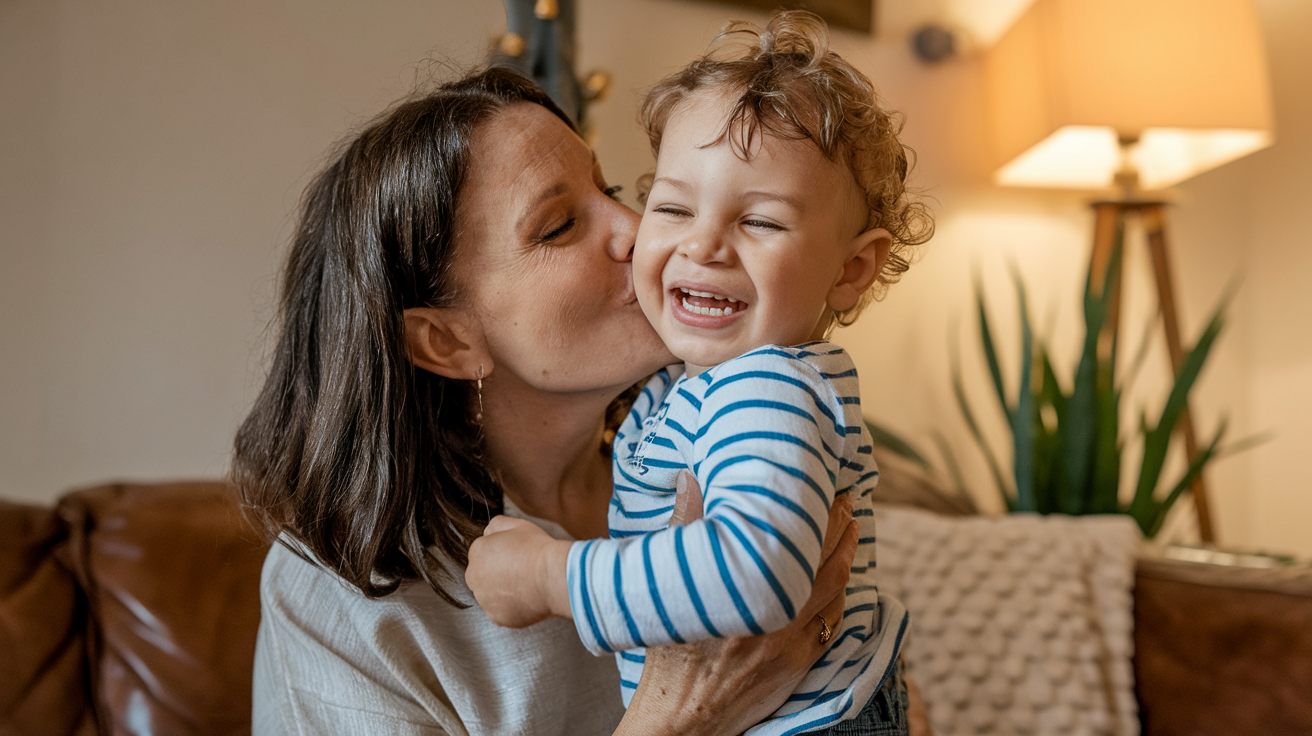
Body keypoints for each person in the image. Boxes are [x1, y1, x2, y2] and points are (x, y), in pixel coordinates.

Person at [233, 65, 864, 736]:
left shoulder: (716, 442)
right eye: (560, 225)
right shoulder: (335, 599)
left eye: (612, 188)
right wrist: (682, 714)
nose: (638, 230)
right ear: (446, 340)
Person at [464, 12, 933, 735]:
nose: (703, 244)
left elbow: (754, 575)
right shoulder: (687, 389)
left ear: (852, 270)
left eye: (763, 222)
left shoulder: (768, 391)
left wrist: (548, 576)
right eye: (673, 206)